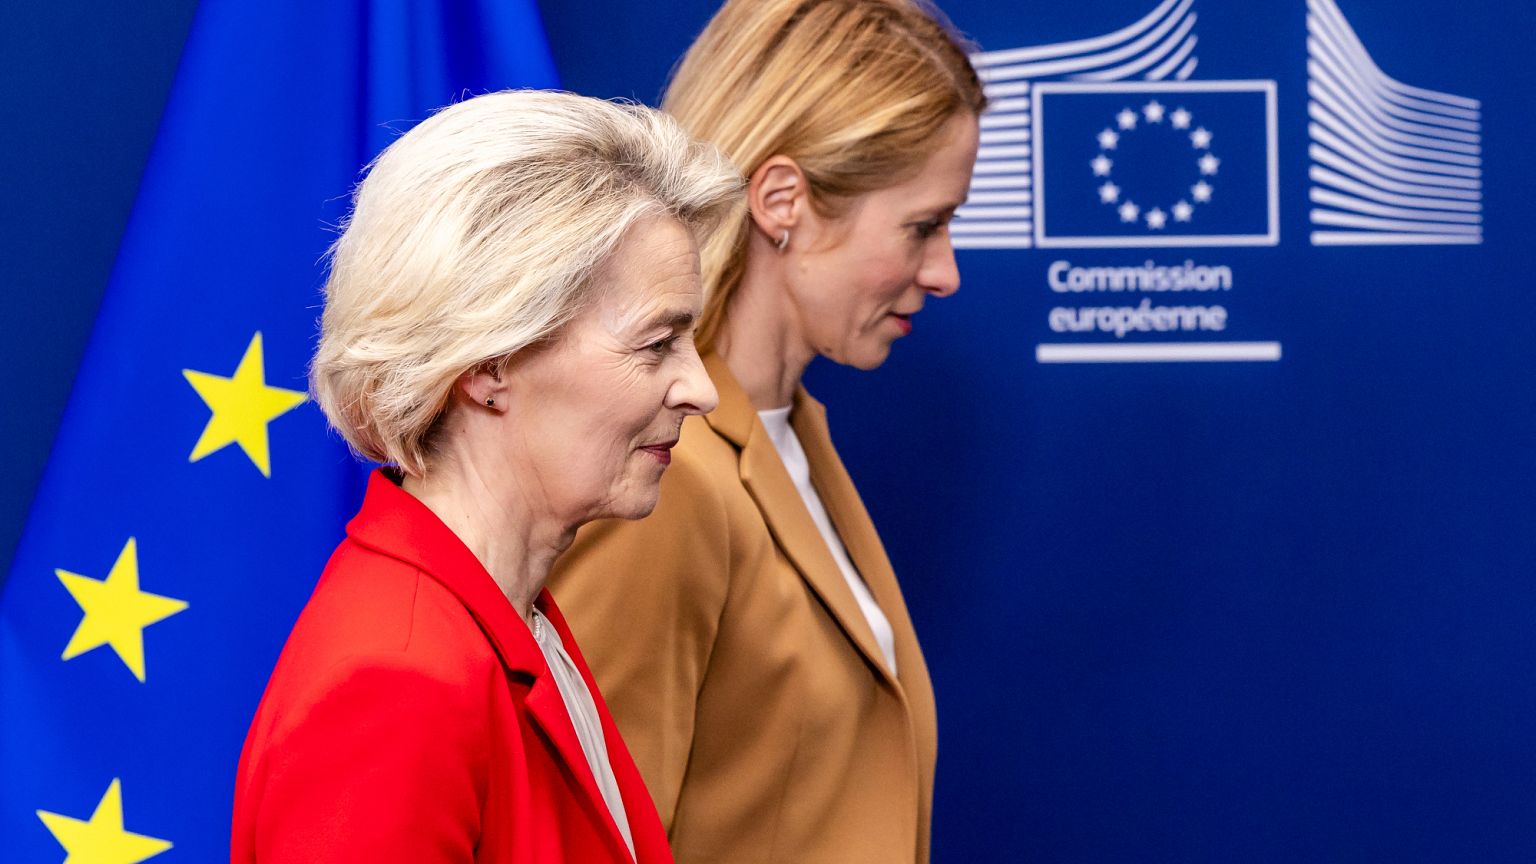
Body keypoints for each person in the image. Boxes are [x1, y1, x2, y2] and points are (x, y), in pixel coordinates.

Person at [231, 90, 741, 864]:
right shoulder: (398, 681)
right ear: (489, 364)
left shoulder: (507, 619)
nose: (701, 389)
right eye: (656, 344)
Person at [548, 2, 985, 862]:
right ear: (782, 200)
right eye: (923, 226)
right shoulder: (662, 480)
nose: (945, 273)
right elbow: (595, 839)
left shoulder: (789, 439)